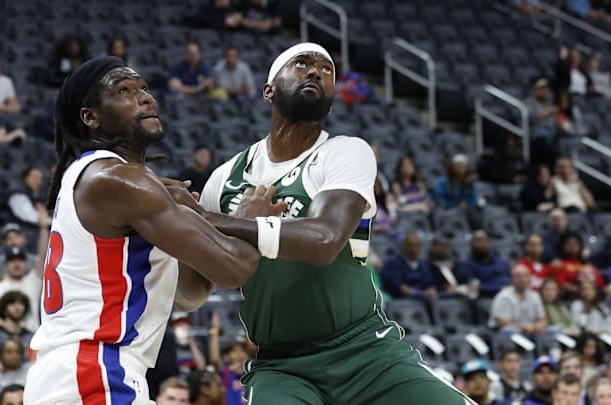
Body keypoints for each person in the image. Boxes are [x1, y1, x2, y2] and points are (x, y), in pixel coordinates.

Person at [197, 42, 469, 404]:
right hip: (282, 365)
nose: (316, 72)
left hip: (367, 352)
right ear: (269, 89)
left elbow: (325, 240)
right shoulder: (224, 179)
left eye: (327, 70)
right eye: (301, 64)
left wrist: (227, 224)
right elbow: (198, 283)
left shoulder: (344, 152)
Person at [23, 56, 267, 404]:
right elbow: (235, 268)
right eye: (124, 90)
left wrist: (187, 217)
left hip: (82, 372)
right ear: (90, 117)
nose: (145, 97)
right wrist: (249, 220)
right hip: (95, 370)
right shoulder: (117, 179)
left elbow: (189, 294)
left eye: (145, 88)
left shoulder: (102, 179)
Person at [489, 264, 547, 334]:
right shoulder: (504, 296)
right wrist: (525, 328)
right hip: (505, 336)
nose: (523, 280)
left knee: (555, 330)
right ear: (512, 279)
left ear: (529, 278)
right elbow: (502, 323)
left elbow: (542, 319)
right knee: (509, 330)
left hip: (531, 334)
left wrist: (540, 326)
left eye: (525, 276)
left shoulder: (534, 296)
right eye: (518, 277)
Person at [380, 232, 437, 301]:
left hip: (424, 299)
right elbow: (400, 288)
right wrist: (422, 295)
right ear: (403, 246)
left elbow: (429, 284)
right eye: (410, 245)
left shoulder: (423, 264)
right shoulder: (393, 263)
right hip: (401, 300)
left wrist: (432, 291)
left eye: (416, 246)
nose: (413, 249)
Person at [0, 290, 33, 364]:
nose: (17, 307)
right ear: (4, 307)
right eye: (12, 303)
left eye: (21, 303)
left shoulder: (30, 336)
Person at [552, 232, 604, 298]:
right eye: (568, 243)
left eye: (575, 243)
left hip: (591, 298)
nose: (572, 246)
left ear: (580, 246)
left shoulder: (588, 266)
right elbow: (561, 284)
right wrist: (583, 291)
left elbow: (600, 285)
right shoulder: (558, 264)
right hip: (569, 299)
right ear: (562, 246)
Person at [461, 231, 511, 298]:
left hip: (510, 294)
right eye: (479, 241)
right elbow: (473, 288)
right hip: (489, 298)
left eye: (485, 241)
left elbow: (510, 278)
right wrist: (499, 288)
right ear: (471, 244)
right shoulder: (468, 265)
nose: (483, 244)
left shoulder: (499, 260)